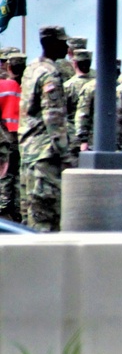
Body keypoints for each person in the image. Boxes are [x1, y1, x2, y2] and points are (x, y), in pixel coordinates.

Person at [19, 26, 69, 232]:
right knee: (46, 216)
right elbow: (53, 118)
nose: (67, 46)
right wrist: (65, 152)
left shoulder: (31, 68)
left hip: (29, 150)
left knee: (30, 211)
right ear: (53, 44)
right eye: (63, 42)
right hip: (44, 154)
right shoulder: (50, 74)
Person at [0, 54, 23, 222]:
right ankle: (16, 211)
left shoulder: (3, 85)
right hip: (19, 136)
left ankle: (4, 211)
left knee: (4, 176)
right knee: (16, 175)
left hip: (4, 137)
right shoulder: (17, 86)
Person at [63, 48, 94, 168]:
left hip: (73, 138)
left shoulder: (67, 86)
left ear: (74, 63)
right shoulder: (98, 84)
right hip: (94, 138)